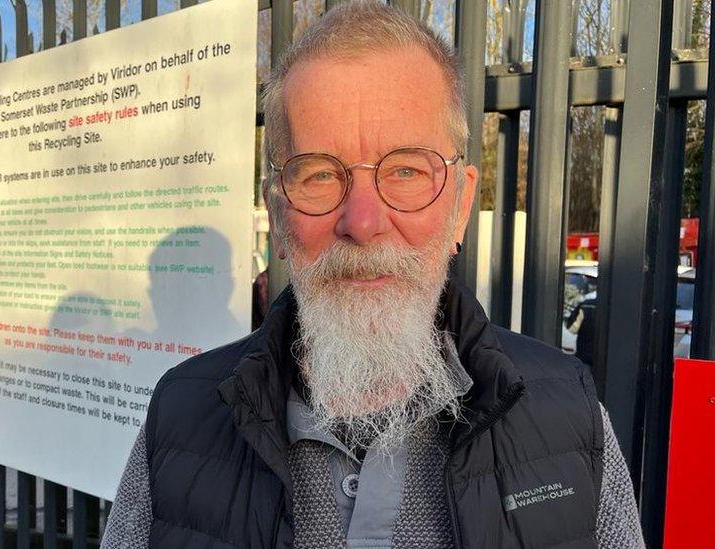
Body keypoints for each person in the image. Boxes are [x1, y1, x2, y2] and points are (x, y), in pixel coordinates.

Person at [101, 2, 645, 547]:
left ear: (460, 206)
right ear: (278, 215)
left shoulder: (570, 424)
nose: (362, 223)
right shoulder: (178, 422)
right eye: (318, 174)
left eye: (407, 170)